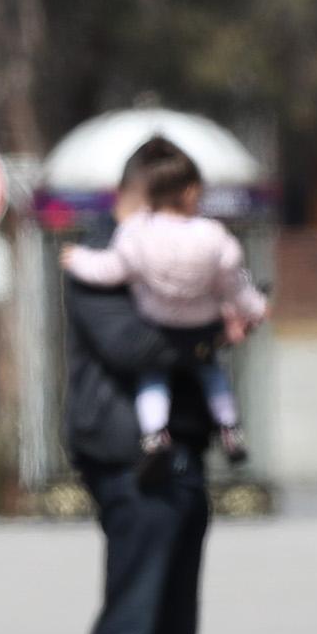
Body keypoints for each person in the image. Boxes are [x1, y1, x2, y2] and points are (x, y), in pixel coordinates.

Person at [64, 138, 246, 634]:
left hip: (182, 452)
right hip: (125, 453)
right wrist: (210, 333)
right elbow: (129, 344)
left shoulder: (184, 257)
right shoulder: (101, 256)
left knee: (176, 620)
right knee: (134, 616)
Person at [60, 136, 266, 475]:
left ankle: (155, 434)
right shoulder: (214, 235)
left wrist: (77, 259)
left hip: (167, 414)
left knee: (153, 381)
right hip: (122, 448)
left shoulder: (130, 238)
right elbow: (234, 282)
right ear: (189, 192)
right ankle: (230, 427)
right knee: (213, 374)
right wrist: (235, 321)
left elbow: (107, 270)